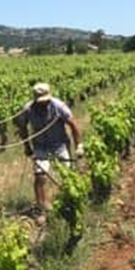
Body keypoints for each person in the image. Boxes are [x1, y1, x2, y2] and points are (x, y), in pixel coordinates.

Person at [14, 82, 83, 211]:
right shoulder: (28, 109)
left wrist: (79, 146)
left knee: (67, 175)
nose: (42, 104)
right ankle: (42, 208)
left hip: (59, 144)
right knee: (40, 176)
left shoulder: (58, 106)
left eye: (45, 101)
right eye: (40, 102)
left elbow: (73, 125)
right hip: (40, 146)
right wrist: (27, 146)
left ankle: (69, 202)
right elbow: (22, 127)